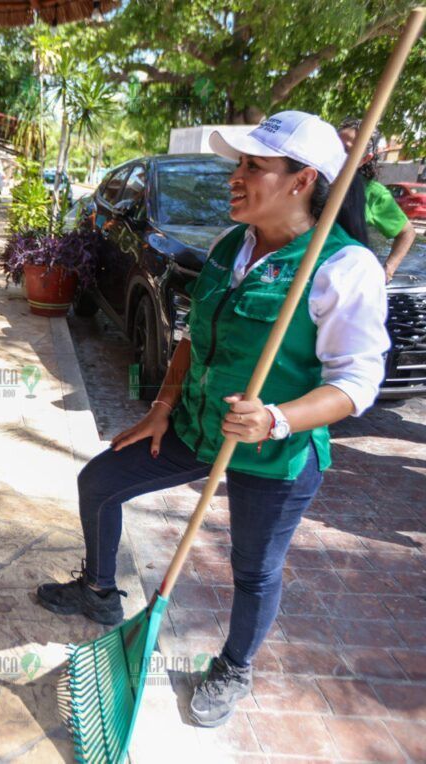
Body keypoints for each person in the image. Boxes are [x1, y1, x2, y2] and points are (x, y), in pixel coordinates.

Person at [35, 112, 389, 728]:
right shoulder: (232, 246)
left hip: (277, 452)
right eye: (240, 163)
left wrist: (276, 418)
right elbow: (192, 341)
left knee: (254, 569)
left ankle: (234, 665)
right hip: (197, 427)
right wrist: (161, 409)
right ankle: (97, 593)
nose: (237, 176)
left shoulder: (343, 267)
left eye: (254, 166)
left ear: (302, 180)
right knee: (100, 482)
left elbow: (357, 384)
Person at [337, 117, 417, 282]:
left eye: (346, 149)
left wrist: (387, 271)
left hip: (344, 281)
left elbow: (407, 232)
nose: (337, 153)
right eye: (334, 145)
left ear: (365, 159)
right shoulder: (310, 178)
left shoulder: (373, 193)